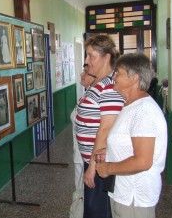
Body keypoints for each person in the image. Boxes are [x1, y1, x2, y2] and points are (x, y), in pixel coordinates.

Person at [95, 53, 167, 218]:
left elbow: (143, 161)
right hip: (124, 195)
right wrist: (111, 153)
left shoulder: (143, 111)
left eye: (118, 73)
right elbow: (129, 143)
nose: (114, 77)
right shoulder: (131, 105)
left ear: (134, 78)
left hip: (134, 199)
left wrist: (108, 168)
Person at [75, 35, 125, 218]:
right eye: (86, 56)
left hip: (100, 163)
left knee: (98, 212)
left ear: (107, 57)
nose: (87, 62)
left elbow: (105, 130)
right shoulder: (97, 81)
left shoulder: (110, 86)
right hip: (91, 159)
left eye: (91, 56)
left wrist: (93, 167)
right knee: (92, 209)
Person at [69, 66, 96, 218]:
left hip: (86, 156)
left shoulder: (94, 99)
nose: (81, 73)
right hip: (79, 154)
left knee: (83, 192)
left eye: (85, 71)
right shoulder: (85, 96)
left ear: (93, 78)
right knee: (80, 190)